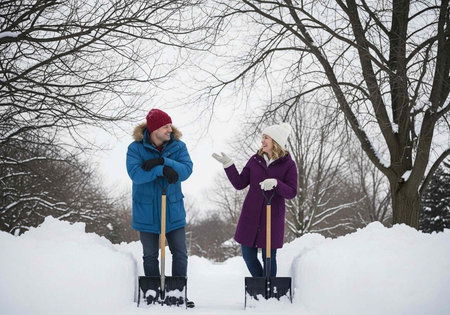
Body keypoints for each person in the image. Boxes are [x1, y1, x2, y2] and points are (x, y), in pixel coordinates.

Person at [126, 108, 194, 307]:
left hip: (172, 209)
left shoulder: (178, 147)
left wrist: (164, 160)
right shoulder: (135, 149)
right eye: (165, 126)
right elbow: (136, 174)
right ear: (154, 128)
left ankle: (178, 293)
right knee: (150, 255)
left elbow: (187, 170)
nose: (169, 129)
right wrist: (160, 170)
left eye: (170, 125)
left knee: (180, 252)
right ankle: (153, 294)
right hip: (146, 210)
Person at [212, 123, 297, 277]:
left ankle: (269, 293)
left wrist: (277, 184)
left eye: (266, 138)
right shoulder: (255, 160)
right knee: (248, 255)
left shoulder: (288, 165)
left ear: (276, 142)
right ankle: (260, 286)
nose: (262, 141)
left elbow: (292, 192)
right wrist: (229, 165)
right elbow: (239, 183)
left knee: (268, 258)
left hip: (272, 217)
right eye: (262, 138)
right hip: (250, 216)